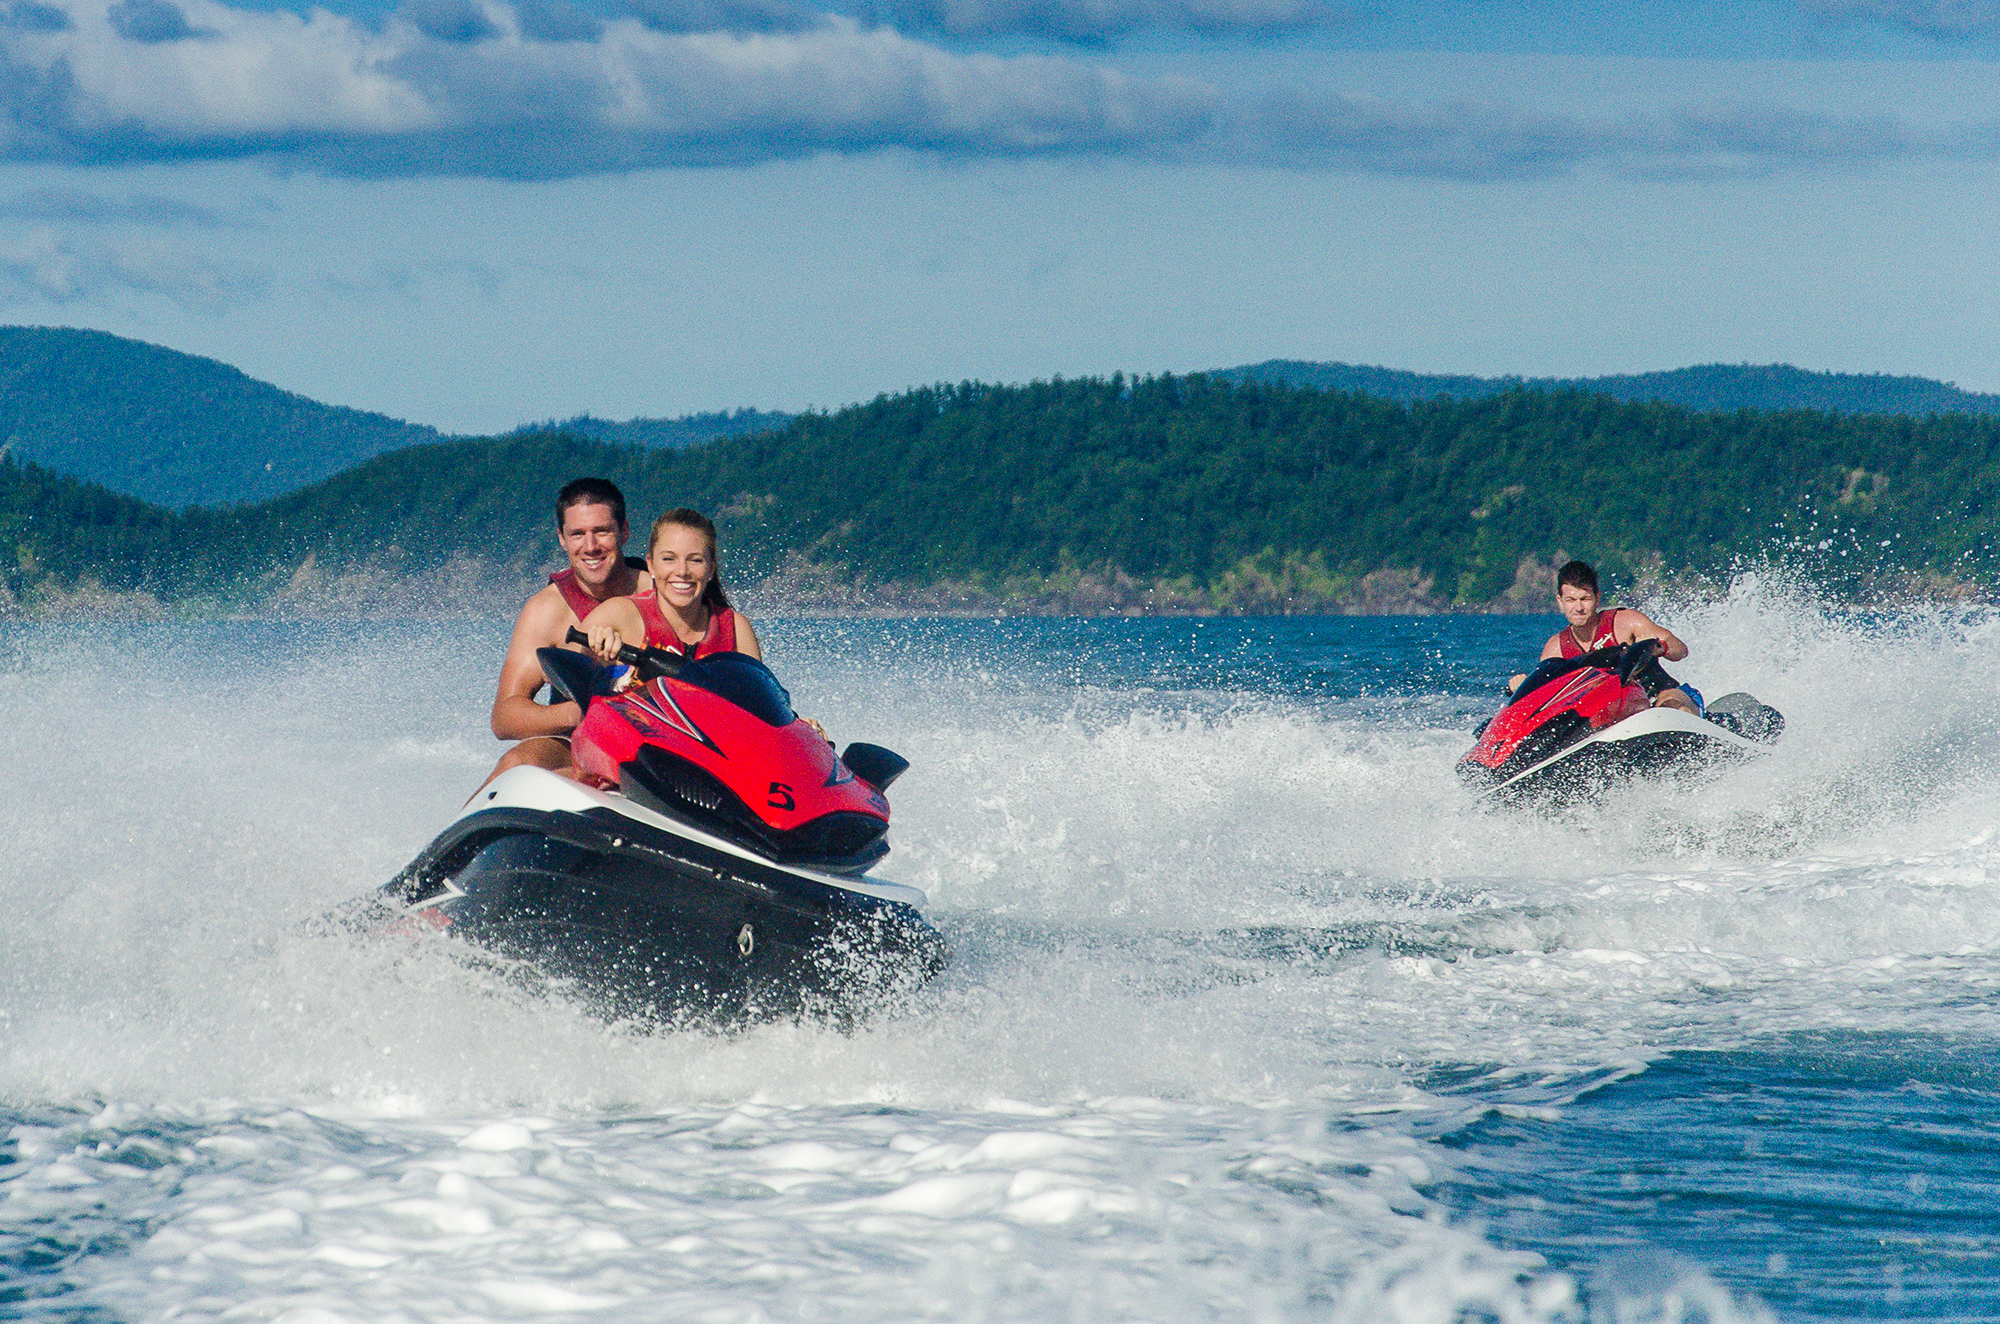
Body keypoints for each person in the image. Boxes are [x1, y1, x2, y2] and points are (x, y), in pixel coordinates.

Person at [477, 477, 648, 790]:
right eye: (578, 534)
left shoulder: (661, 594)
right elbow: (504, 717)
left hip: (662, 746)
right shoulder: (548, 610)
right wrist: (585, 712)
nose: (591, 546)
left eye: (602, 532)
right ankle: (458, 839)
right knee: (519, 763)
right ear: (561, 539)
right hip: (578, 745)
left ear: (624, 531)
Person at [1509, 560, 1700, 715]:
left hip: (1660, 695)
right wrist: (1521, 686)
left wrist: (1662, 647)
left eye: (1585, 599)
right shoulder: (1556, 648)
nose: (1578, 608)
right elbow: (1546, 700)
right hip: (1611, 713)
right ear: (1560, 602)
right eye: (1571, 600)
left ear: (1597, 598)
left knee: (1676, 707)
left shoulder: (1625, 622)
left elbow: (1681, 650)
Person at [579, 507, 763, 665]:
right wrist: (593, 651)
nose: (682, 571)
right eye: (669, 559)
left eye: (696, 560)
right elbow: (565, 679)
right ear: (650, 564)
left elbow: (762, 700)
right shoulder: (616, 617)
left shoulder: (736, 629)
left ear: (711, 568)